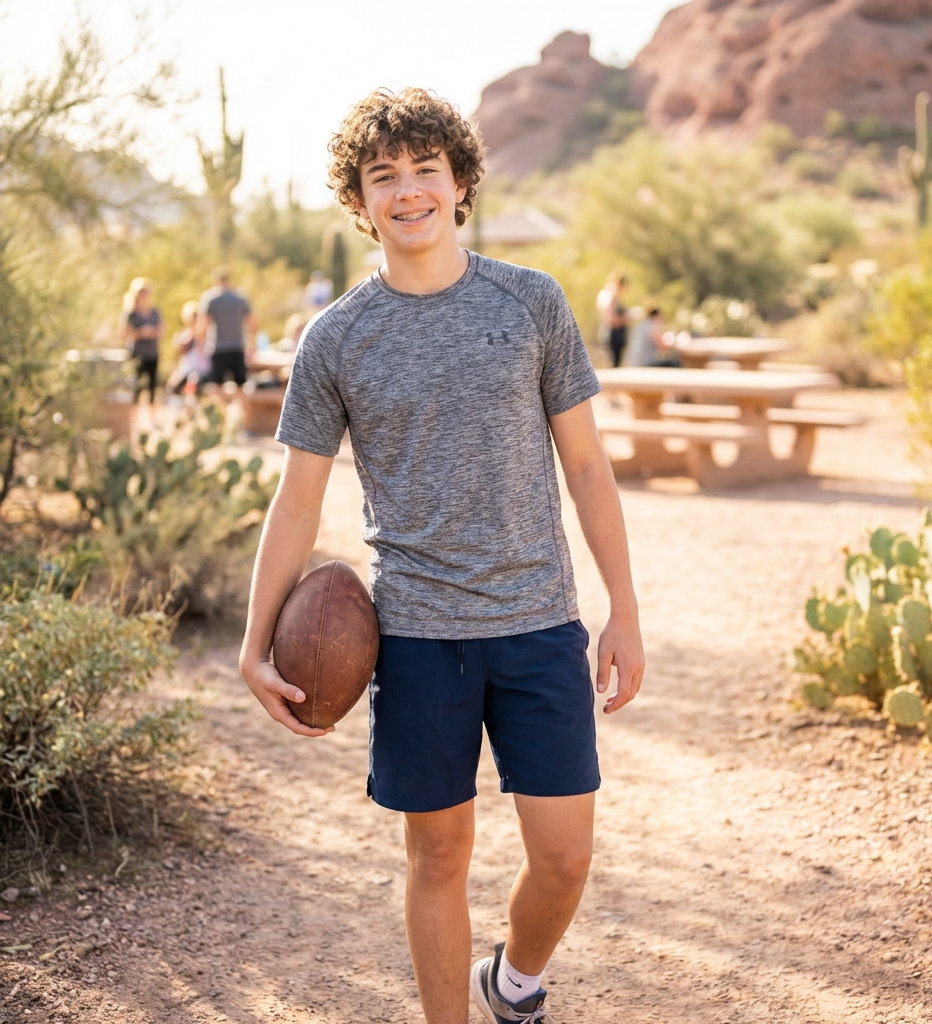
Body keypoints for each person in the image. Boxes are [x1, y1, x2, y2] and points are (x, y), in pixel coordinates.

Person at [239, 87, 644, 1024]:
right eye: (385, 176)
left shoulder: (532, 302)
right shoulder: (336, 337)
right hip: (418, 636)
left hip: (540, 622)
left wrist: (622, 608)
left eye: (427, 169)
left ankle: (514, 982)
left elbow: (586, 465)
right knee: (438, 860)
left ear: (460, 183)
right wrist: (254, 641)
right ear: (360, 202)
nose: (408, 190)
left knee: (565, 857)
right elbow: (298, 501)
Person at [196, 267, 255, 386]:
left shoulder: (210, 298)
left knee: (216, 385)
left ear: (216, 280)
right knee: (241, 385)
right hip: (237, 347)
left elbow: (203, 324)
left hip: (218, 348)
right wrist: (252, 344)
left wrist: (200, 346)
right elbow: (253, 321)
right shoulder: (240, 298)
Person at [119, 277, 163, 404]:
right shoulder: (130, 313)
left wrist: (152, 332)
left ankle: (152, 419)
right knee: (135, 387)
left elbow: (161, 329)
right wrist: (141, 333)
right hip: (136, 354)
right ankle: (134, 420)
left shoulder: (155, 312)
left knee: (153, 388)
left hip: (152, 353)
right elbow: (123, 333)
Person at [165, 301, 212, 396]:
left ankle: (190, 405)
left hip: (202, 371)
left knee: (193, 382)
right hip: (186, 370)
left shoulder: (208, 335)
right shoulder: (184, 335)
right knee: (172, 385)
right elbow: (180, 351)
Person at [595, 272, 628, 368]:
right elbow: (611, 318)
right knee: (613, 366)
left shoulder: (605, 293)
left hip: (608, 333)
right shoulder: (611, 295)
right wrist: (626, 318)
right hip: (613, 334)